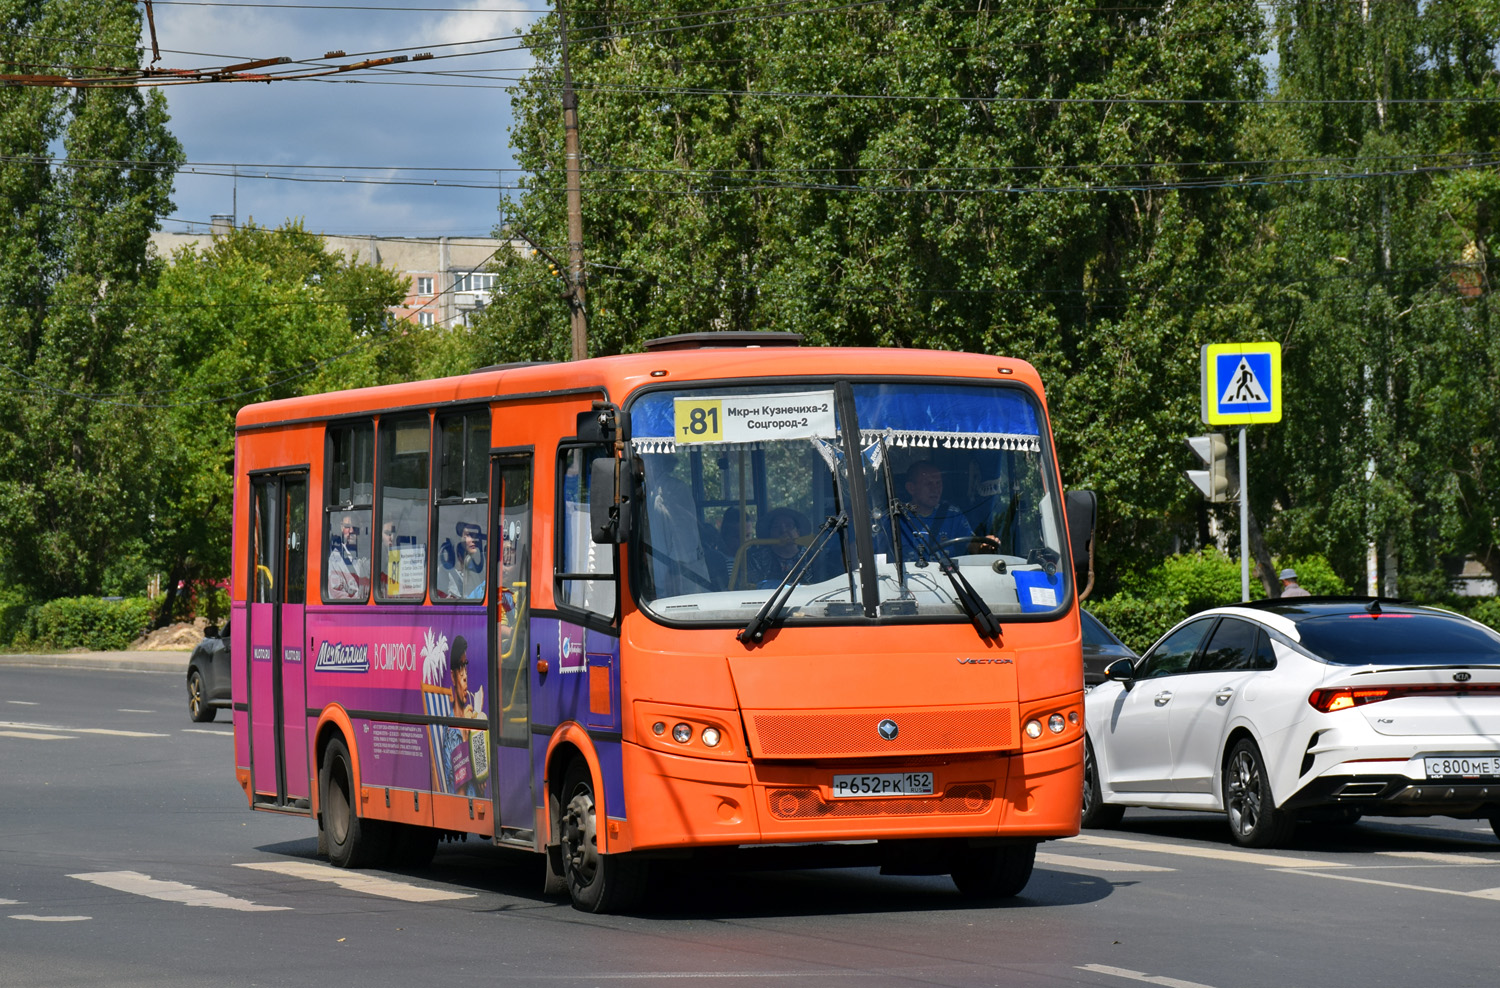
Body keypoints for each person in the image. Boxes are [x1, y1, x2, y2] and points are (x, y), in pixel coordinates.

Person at [897, 461, 991, 559]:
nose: (935, 489)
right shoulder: (896, 517)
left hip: (946, 574)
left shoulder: (953, 515)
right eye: (929, 484)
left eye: (938, 483)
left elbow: (972, 545)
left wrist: (983, 546)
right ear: (911, 488)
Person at [746, 507, 811, 588]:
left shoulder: (812, 557)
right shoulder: (756, 558)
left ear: (798, 531)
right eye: (776, 526)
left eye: (789, 525)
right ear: (769, 533)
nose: (783, 530)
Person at [442, 520, 486, 599]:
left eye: (476, 535)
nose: (474, 539)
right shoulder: (445, 570)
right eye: (469, 535)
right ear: (460, 538)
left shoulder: (479, 567)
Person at [327, 514, 367, 599]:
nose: (351, 530)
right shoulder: (336, 559)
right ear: (342, 527)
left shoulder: (366, 555)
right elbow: (336, 594)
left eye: (355, 527)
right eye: (347, 526)